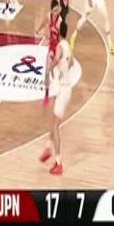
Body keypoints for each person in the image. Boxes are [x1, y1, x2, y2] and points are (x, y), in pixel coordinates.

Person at [38, 21, 72, 175]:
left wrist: (49, 69)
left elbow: (57, 58)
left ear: (59, 32)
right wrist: (63, 70)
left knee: (56, 126)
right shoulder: (68, 45)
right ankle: (47, 148)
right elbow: (70, 62)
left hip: (64, 89)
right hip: (65, 88)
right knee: (53, 121)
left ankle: (58, 163)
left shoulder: (59, 47)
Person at [34, 0, 62, 107]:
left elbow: (61, 39)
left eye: (57, 10)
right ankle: (46, 94)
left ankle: (59, 91)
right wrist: (38, 29)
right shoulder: (48, 16)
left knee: (58, 68)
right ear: (51, 10)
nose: (56, 12)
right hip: (51, 46)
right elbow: (44, 22)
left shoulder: (60, 22)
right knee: (47, 70)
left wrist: (60, 51)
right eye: (54, 10)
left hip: (58, 46)